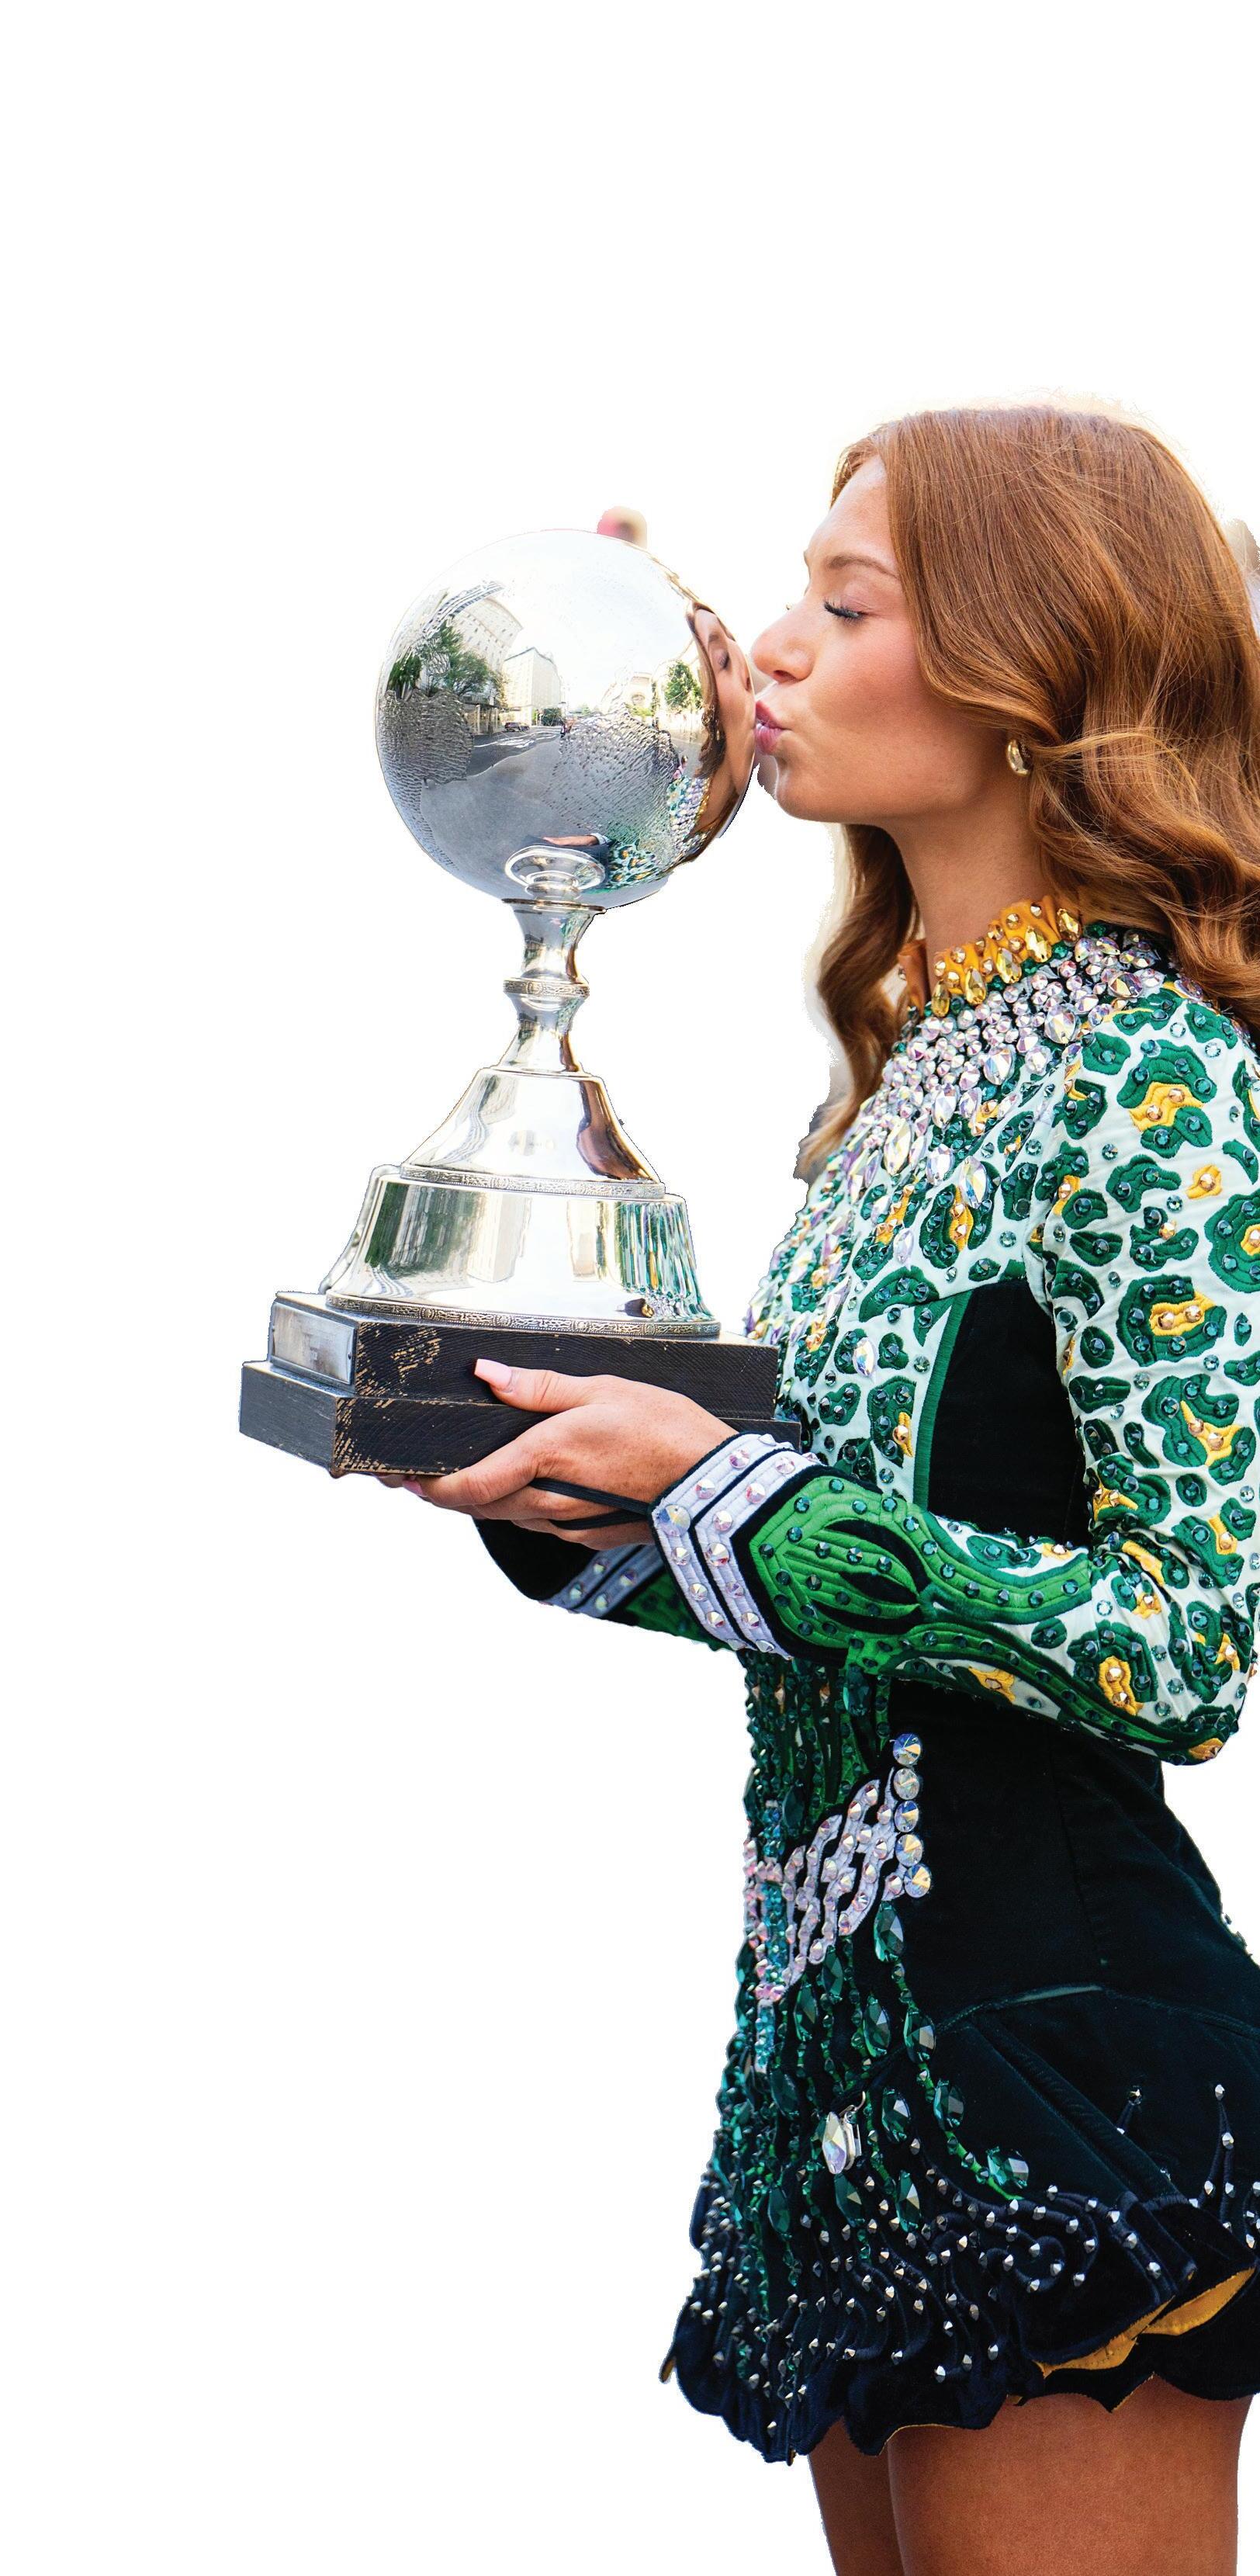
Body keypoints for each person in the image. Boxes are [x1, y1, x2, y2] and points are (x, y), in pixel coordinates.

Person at [382, 405, 1260, 2575]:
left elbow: (1185, 1644)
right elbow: (807, 1579)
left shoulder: (1149, 1072)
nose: (772, 648)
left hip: (1055, 2052)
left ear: (1032, 674)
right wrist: (557, 1493)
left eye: (843, 605)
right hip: (836, 2063)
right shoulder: (893, 1097)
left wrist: (735, 1496)